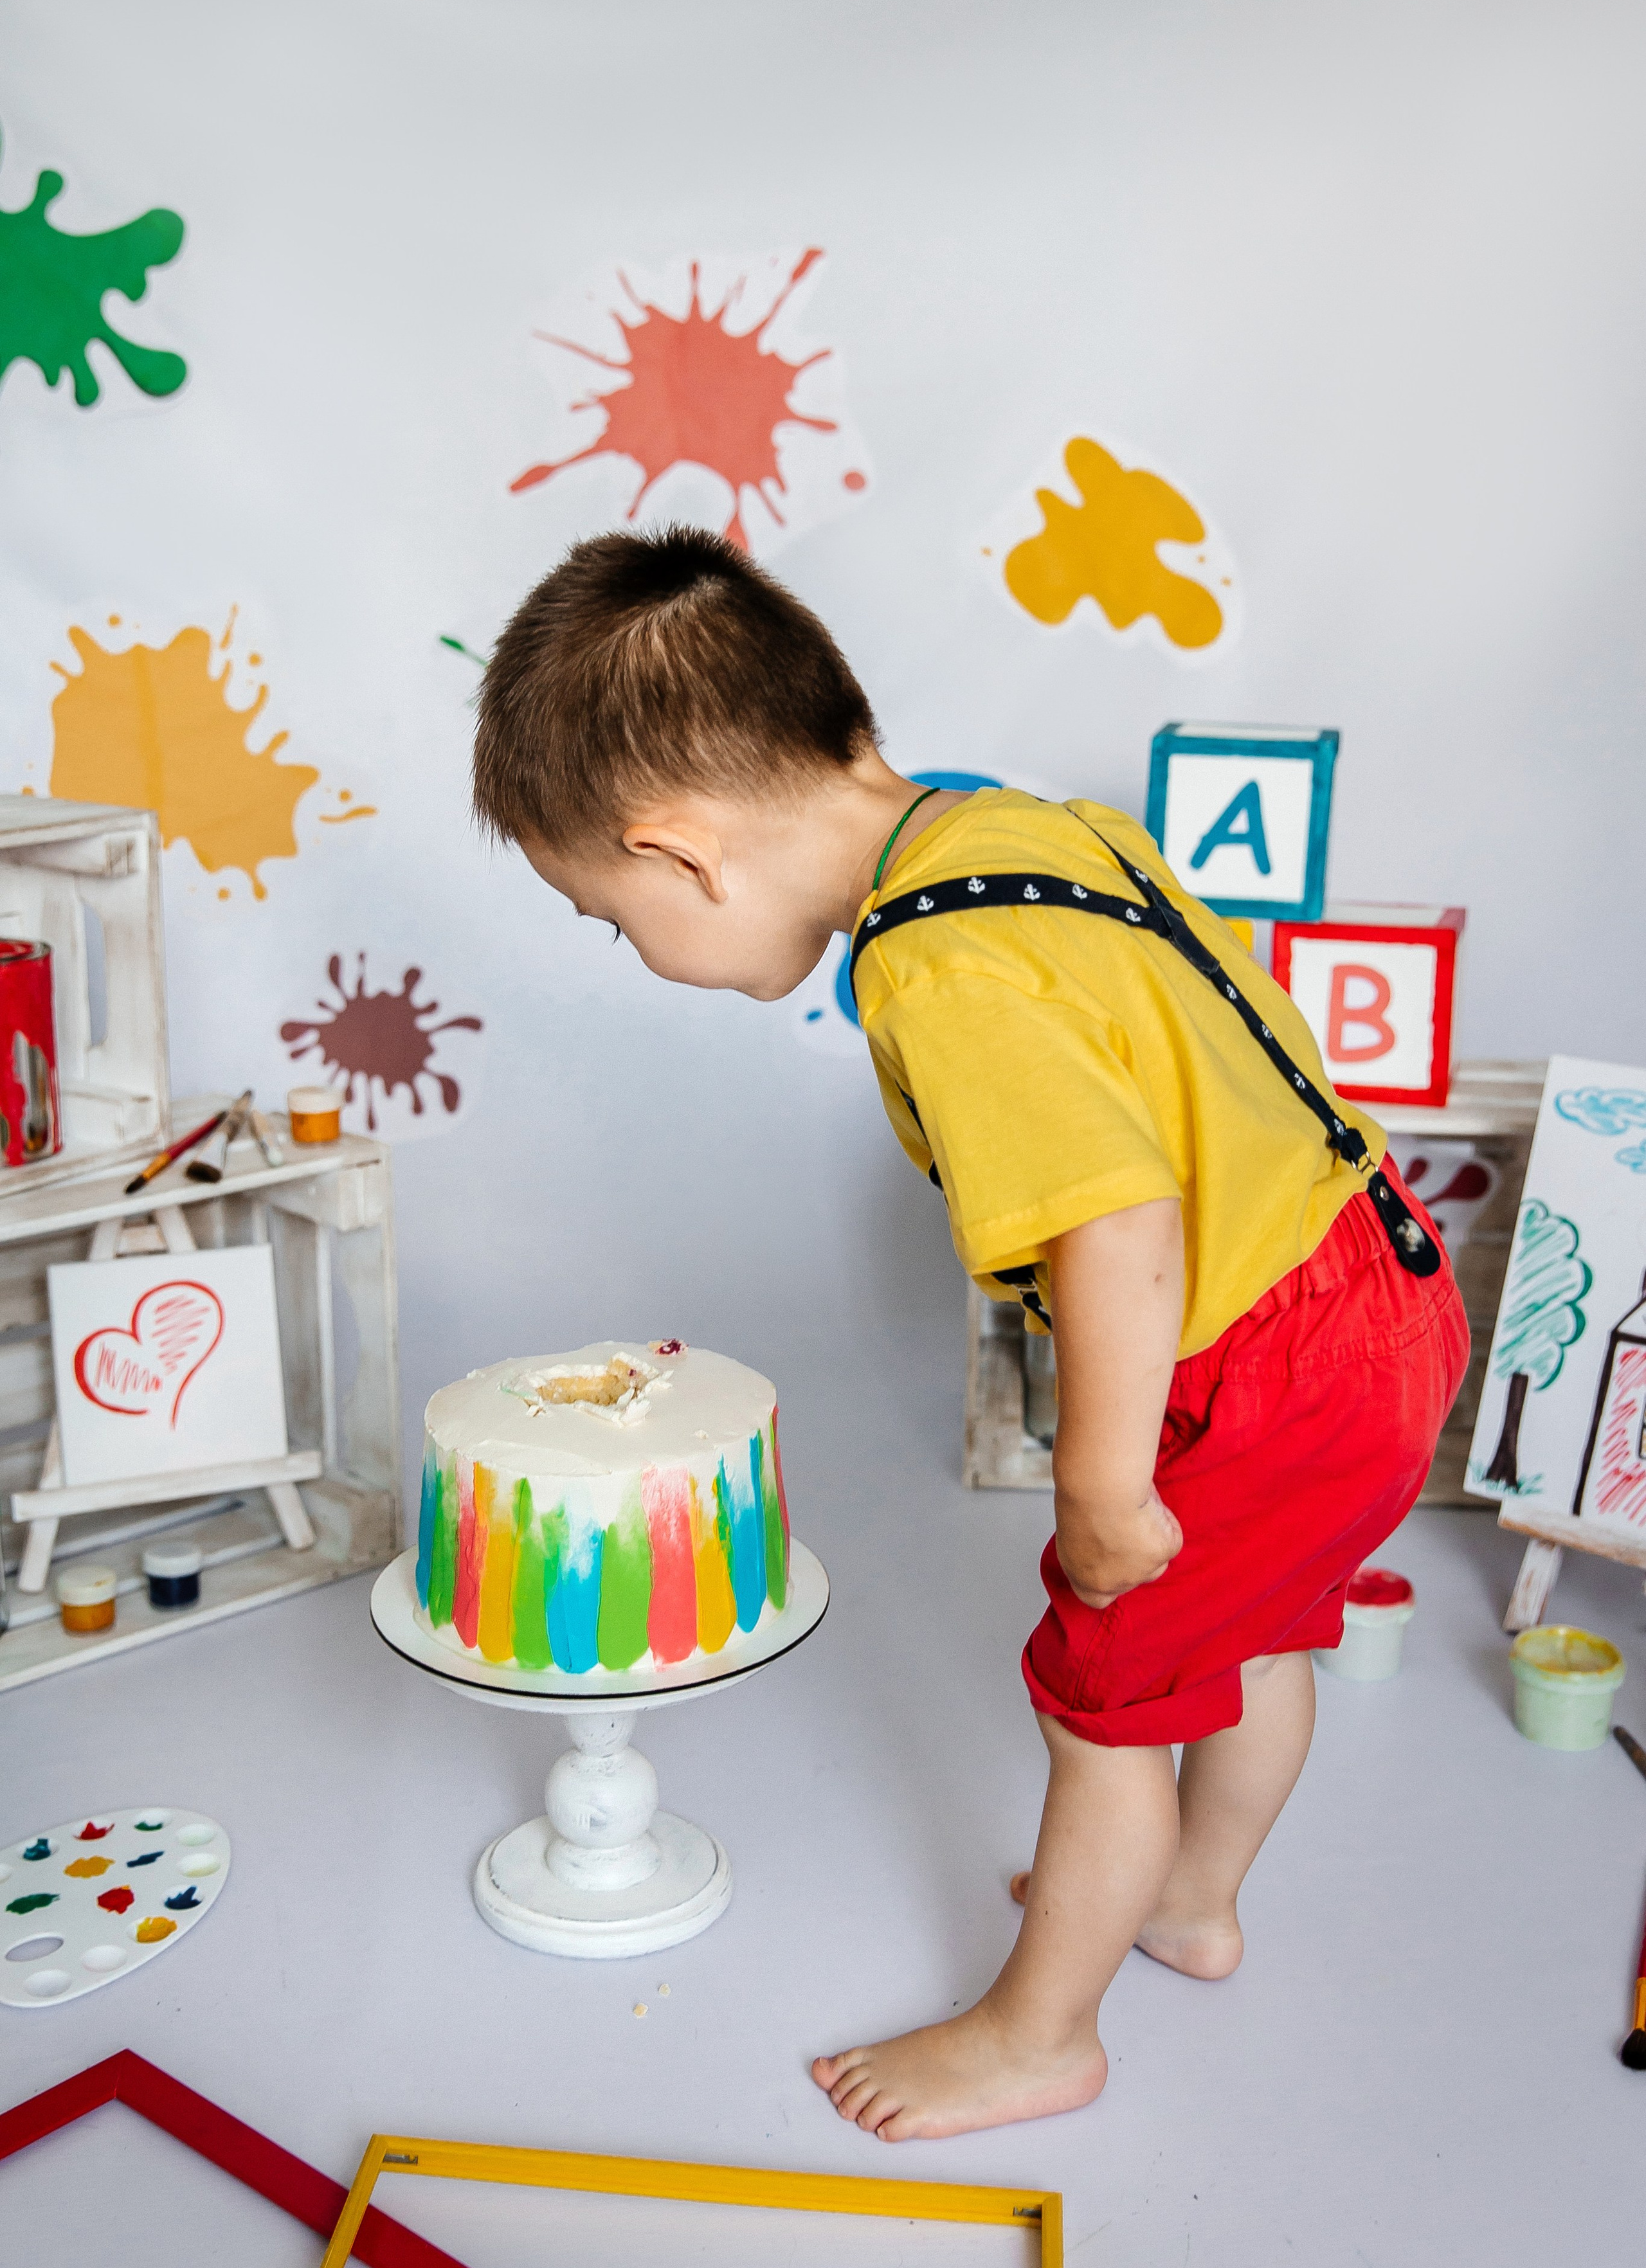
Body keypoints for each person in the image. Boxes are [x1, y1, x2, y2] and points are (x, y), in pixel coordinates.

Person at [472, 526, 1470, 2141]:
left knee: (1106, 1702)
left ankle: (1039, 2031)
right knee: (1260, 1628)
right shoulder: (1012, 825)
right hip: (1379, 1287)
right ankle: (1187, 1904)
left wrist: (1102, 1477)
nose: (630, 948)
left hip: (1255, 1359)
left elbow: (1118, 1220)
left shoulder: (934, 966)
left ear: (679, 852)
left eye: (607, 916)